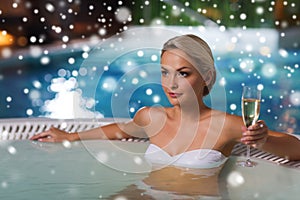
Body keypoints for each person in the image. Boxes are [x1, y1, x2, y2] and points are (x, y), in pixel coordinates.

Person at [30, 34, 300, 168]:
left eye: (183, 74)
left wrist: (264, 140)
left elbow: (296, 150)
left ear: (205, 76)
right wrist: (70, 137)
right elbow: (119, 129)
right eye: (165, 72)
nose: (171, 84)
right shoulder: (152, 117)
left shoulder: (224, 125)